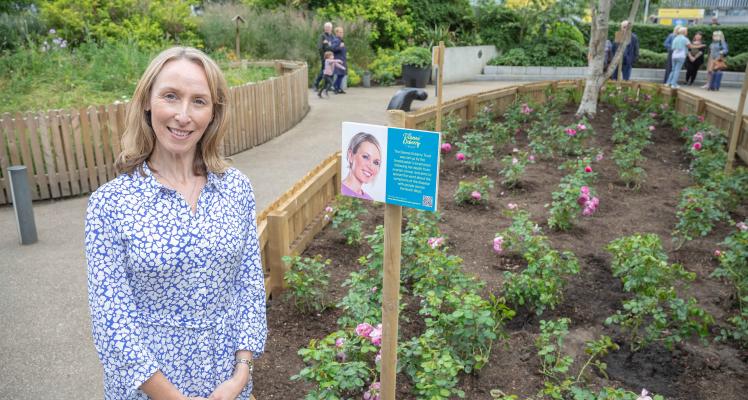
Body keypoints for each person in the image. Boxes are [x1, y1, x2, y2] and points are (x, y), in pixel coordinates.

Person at [85, 46, 267, 400]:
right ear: (148, 102)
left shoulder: (236, 188)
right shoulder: (111, 204)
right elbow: (112, 320)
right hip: (148, 389)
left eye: (199, 101)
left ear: (214, 113)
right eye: (171, 96)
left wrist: (241, 373)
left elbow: (249, 284)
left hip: (226, 384)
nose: (183, 115)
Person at [342, 132, 382, 201]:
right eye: (365, 157)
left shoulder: (370, 199)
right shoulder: (339, 191)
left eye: (376, 162)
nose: (371, 167)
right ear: (351, 155)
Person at [312, 22, 335, 90]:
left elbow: (334, 46)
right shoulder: (322, 36)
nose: (327, 29)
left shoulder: (333, 37)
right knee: (323, 71)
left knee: (331, 72)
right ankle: (316, 84)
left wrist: (328, 44)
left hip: (332, 57)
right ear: (324, 28)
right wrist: (324, 56)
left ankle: (328, 86)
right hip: (325, 58)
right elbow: (320, 47)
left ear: (331, 28)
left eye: (329, 27)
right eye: (326, 27)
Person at [331, 26, 348, 94]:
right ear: (336, 33)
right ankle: (335, 87)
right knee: (341, 74)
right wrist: (340, 47)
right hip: (338, 60)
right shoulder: (336, 40)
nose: (342, 33)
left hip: (342, 59)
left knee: (342, 74)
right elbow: (332, 49)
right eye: (340, 32)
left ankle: (338, 88)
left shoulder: (340, 39)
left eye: (342, 32)